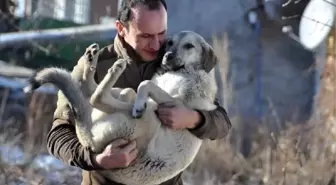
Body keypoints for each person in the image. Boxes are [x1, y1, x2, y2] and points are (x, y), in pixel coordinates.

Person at [47, 0, 232, 184]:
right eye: (145, 36)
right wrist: (97, 160)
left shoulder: (175, 62)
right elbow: (57, 136)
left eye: (161, 34)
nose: (156, 45)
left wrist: (193, 118)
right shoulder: (93, 65)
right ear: (121, 28)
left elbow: (222, 123)